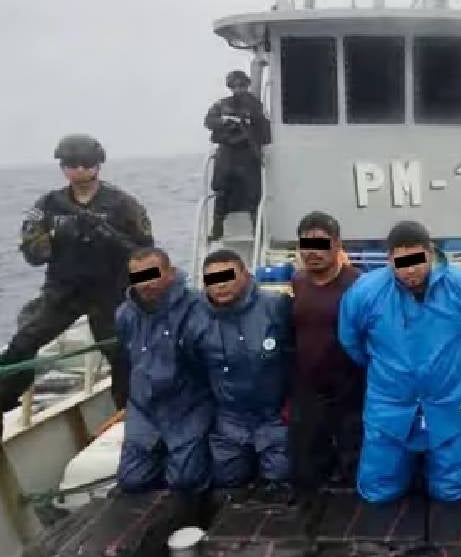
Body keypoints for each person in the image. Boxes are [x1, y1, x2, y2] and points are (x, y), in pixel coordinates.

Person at [0, 134, 153, 431]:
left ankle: (130, 415)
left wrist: (109, 237)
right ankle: (4, 400)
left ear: (98, 164)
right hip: (63, 292)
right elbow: (32, 253)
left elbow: (147, 252)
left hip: (109, 292)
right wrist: (56, 236)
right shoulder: (48, 205)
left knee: (122, 353)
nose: (79, 170)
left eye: (86, 163)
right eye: (71, 164)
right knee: (23, 343)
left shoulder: (122, 204)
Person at [339, 221, 461, 503]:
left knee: (453, 490)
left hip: (450, 400)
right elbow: (351, 341)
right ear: (389, 259)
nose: (410, 270)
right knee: (378, 490)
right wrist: (392, 373)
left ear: (430, 252)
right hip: (389, 404)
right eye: (402, 262)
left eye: (417, 260)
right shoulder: (364, 293)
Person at [115, 248, 213, 498]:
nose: (145, 284)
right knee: (131, 480)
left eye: (152, 275)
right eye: (138, 277)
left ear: (170, 272)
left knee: (186, 480)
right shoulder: (125, 315)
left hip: (187, 404)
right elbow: (124, 361)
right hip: (144, 407)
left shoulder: (197, 307)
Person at [195, 249, 293, 488]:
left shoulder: (277, 306)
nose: (221, 286)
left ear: (246, 276)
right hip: (228, 418)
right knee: (227, 480)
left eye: (227, 277)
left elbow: (298, 356)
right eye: (213, 280)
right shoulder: (195, 317)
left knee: (280, 477)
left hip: (274, 417)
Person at [288, 211, 363, 490]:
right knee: (309, 464)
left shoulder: (358, 284)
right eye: (306, 246)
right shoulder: (298, 282)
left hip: (351, 387)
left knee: (352, 461)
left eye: (320, 245)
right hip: (309, 388)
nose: (312, 253)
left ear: (337, 244)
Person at [204, 70, 272, 242]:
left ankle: (258, 230)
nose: (238, 89)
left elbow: (265, 130)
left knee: (253, 193)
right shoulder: (222, 105)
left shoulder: (256, 106)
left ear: (247, 85)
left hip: (247, 154)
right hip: (227, 154)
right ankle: (217, 228)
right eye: (235, 86)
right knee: (221, 191)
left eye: (242, 85)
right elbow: (208, 121)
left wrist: (250, 124)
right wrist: (225, 121)